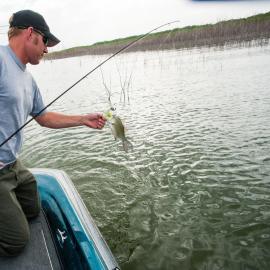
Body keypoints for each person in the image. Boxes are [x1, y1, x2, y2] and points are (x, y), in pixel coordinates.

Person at [0, 10, 106, 257]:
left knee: (33, 208)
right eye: (45, 41)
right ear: (30, 34)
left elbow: (44, 117)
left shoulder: (28, 80)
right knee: (16, 241)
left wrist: (83, 119)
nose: (47, 49)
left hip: (12, 165)